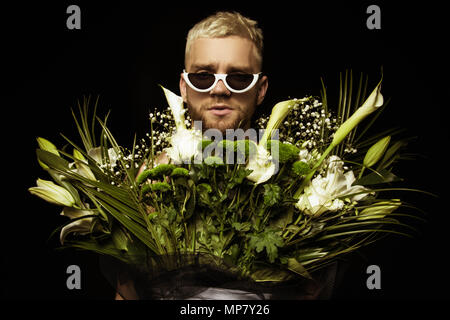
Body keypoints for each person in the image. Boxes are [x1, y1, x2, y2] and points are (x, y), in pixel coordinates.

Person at [112, 11, 341, 300]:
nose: (220, 89)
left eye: (239, 77)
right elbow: (128, 293)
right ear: (184, 87)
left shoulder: (298, 185)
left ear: (260, 89)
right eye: (204, 76)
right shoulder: (154, 178)